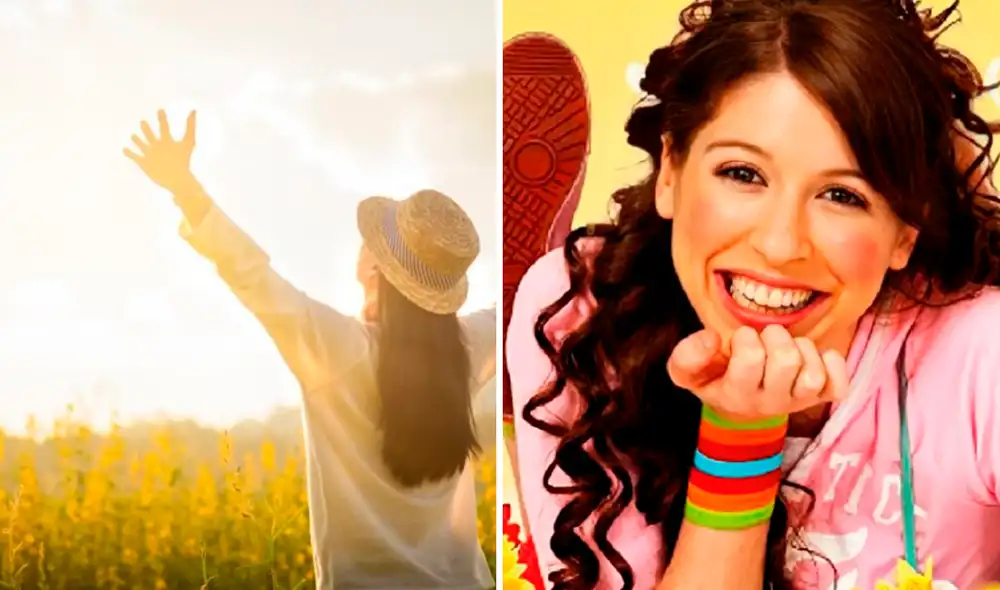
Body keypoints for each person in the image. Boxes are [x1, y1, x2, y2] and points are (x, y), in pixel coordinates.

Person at [505, 1, 1000, 589]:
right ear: (669, 172)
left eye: (844, 195)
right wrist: (741, 430)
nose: (779, 243)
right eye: (742, 173)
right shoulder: (580, 315)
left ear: (905, 233)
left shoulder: (979, 352)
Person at [124, 110, 497, 589]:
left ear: (377, 272)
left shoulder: (337, 350)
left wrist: (186, 189)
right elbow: (509, 307)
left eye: (371, 243)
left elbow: (252, 276)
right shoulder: (465, 349)